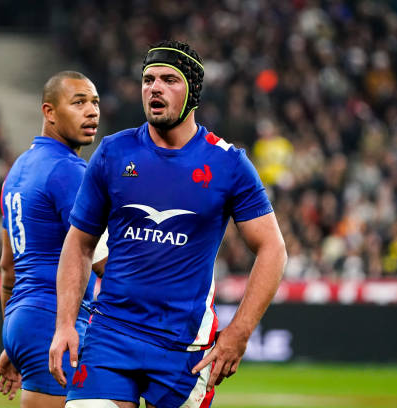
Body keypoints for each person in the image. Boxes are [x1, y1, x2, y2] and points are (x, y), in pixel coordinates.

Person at [49, 40, 287, 408]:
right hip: (110, 334)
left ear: (192, 92)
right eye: (148, 79)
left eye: (168, 79)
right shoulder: (113, 152)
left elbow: (273, 248)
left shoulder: (228, 164)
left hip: (183, 348)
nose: (154, 88)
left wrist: (240, 332)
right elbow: (80, 243)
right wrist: (65, 323)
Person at [0, 70, 105, 408]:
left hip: (23, 318)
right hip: (52, 319)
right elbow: (104, 260)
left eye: (95, 102)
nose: (92, 111)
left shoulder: (18, 169)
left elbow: (7, 268)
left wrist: (16, 339)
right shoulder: (69, 171)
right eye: (79, 102)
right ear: (49, 112)